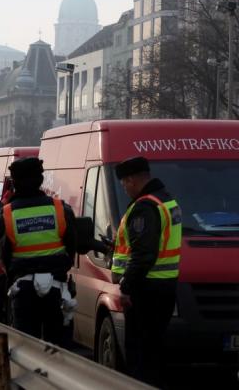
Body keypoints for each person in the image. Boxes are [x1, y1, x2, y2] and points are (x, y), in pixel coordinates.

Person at [0, 157, 79, 345]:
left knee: (25, 347)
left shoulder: (5, 215)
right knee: (59, 350)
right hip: (57, 290)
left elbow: (3, 256)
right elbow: (72, 246)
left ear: (14, 184)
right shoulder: (61, 209)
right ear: (40, 180)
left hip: (23, 292)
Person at [111, 156, 180, 387]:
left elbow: (143, 254)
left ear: (131, 180)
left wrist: (126, 286)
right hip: (165, 287)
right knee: (153, 351)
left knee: (139, 353)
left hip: (145, 291)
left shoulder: (144, 207)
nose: (124, 188)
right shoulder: (166, 200)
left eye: (123, 184)